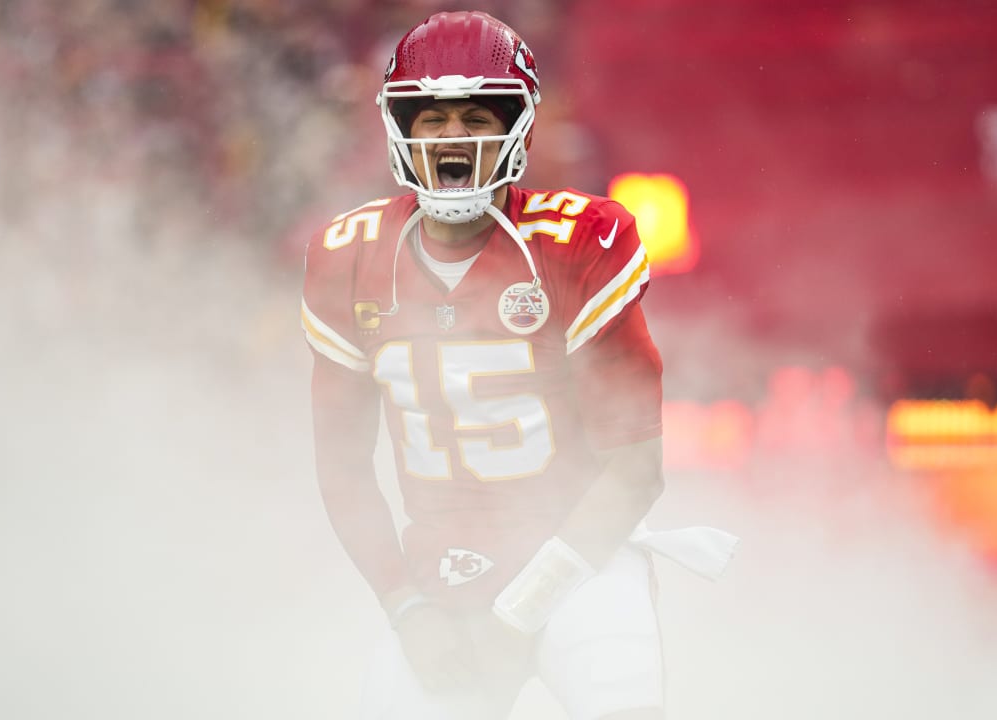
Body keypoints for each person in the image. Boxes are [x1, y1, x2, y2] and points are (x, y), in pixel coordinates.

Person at [301, 10, 734, 720]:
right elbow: (344, 469)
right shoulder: (349, 257)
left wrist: (521, 611)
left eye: (476, 115)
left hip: (580, 561)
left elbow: (635, 467)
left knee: (615, 697)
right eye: (431, 118)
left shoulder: (580, 240)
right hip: (439, 575)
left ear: (520, 127)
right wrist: (408, 610)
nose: (453, 138)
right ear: (398, 127)